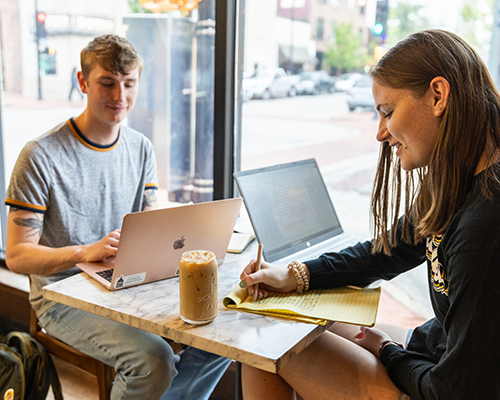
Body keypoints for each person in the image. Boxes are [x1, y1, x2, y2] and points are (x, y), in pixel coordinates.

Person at [238, 29, 500, 400]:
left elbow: (456, 390)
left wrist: (387, 351)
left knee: (264, 343)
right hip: (438, 352)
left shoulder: (486, 226)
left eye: (388, 112)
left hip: (444, 384)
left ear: (438, 96)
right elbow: (385, 252)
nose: (381, 133)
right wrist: (294, 276)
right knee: (283, 319)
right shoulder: (456, 183)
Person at [5, 34, 230, 400]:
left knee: (221, 330)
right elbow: (16, 256)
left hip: (126, 281)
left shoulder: (140, 147)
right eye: (107, 84)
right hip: (62, 295)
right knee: (153, 359)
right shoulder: (39, 156)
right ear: (83, 82)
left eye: (129, 84)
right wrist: (83, 252)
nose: (120, 98)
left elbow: (151, 221)